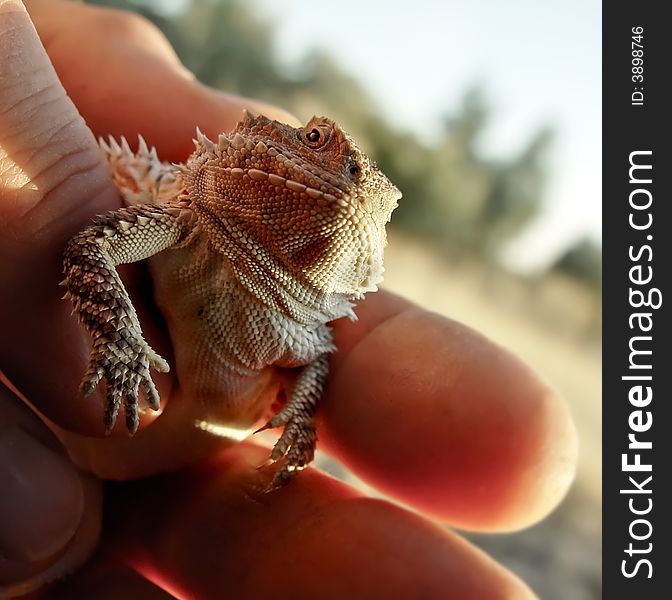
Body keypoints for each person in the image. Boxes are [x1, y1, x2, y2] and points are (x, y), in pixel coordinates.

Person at [0, 1, 578, 597]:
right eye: (318, 141)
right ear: (251, 139)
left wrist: (300, 421)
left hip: (143, 478)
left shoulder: (303, 332)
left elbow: (314, 364)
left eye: (370, 200)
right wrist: (119, 344)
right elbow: (90, 249)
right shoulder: (178, 221)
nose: (344, 176)